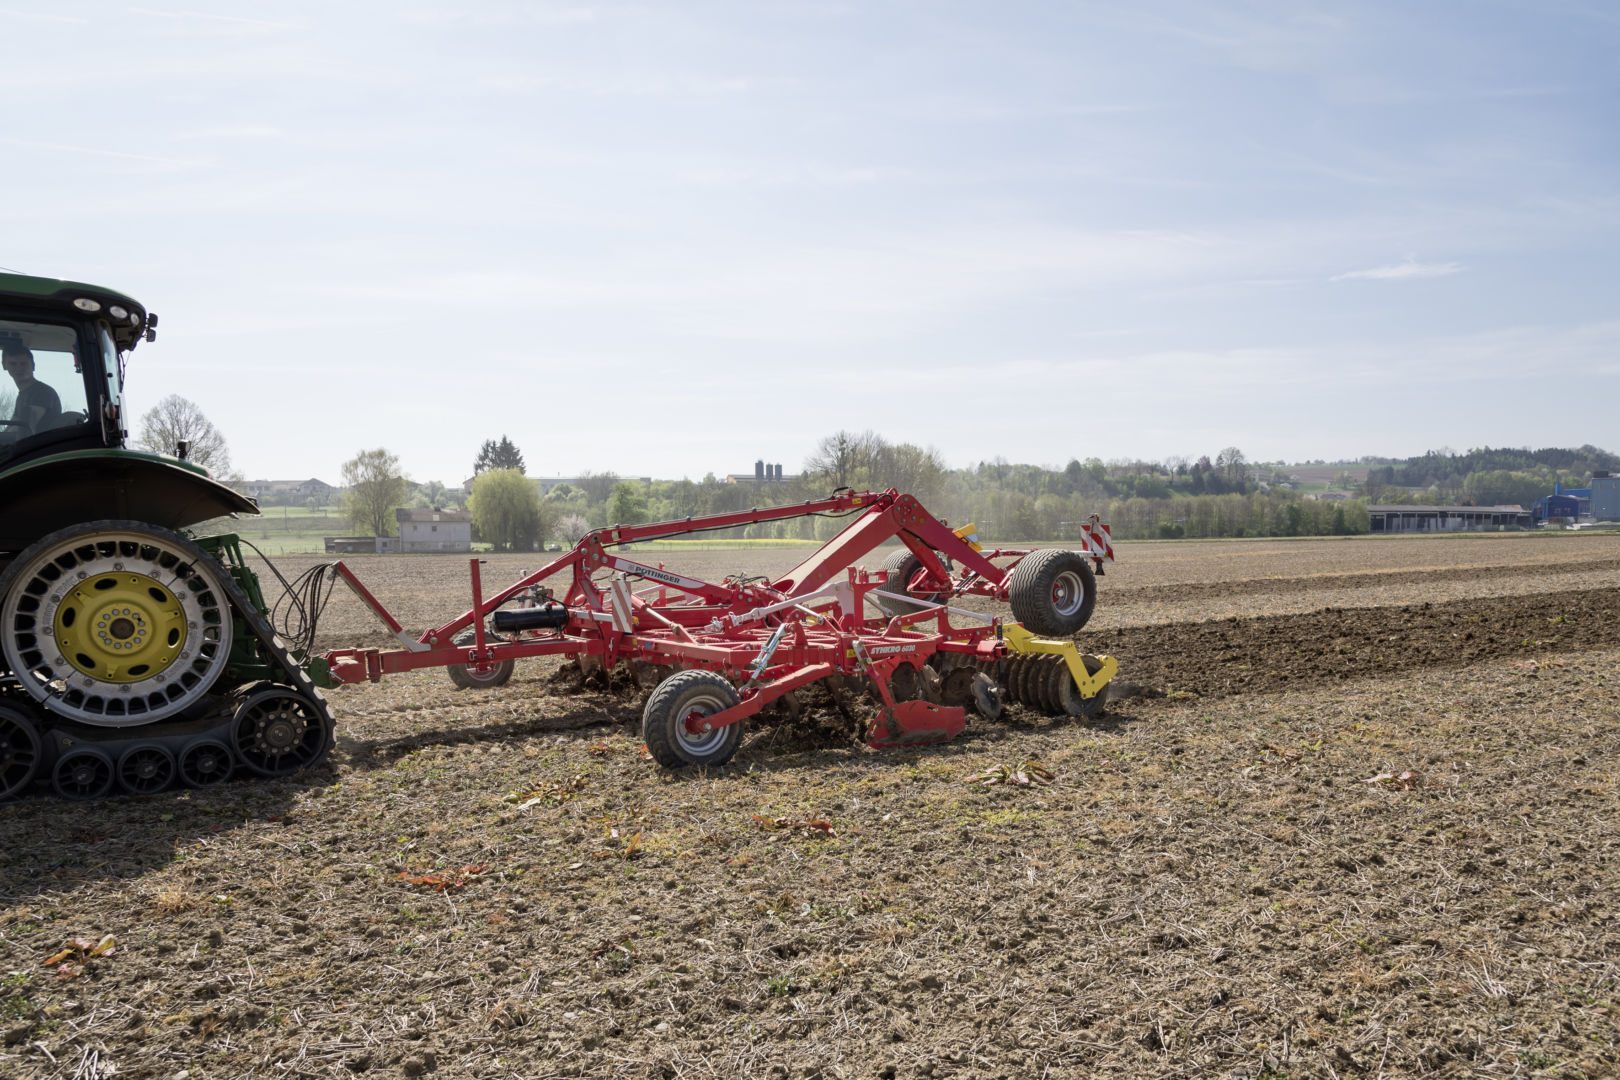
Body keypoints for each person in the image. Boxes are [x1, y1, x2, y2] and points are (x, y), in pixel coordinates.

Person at [2, 345, 62, 438]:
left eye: (23, 364)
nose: (19, 368)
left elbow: (25, 426)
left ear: (33, 366)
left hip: (41, 448)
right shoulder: (22, 396)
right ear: (5, 366)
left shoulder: (42, 392)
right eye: (13, 364)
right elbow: (13, 425)